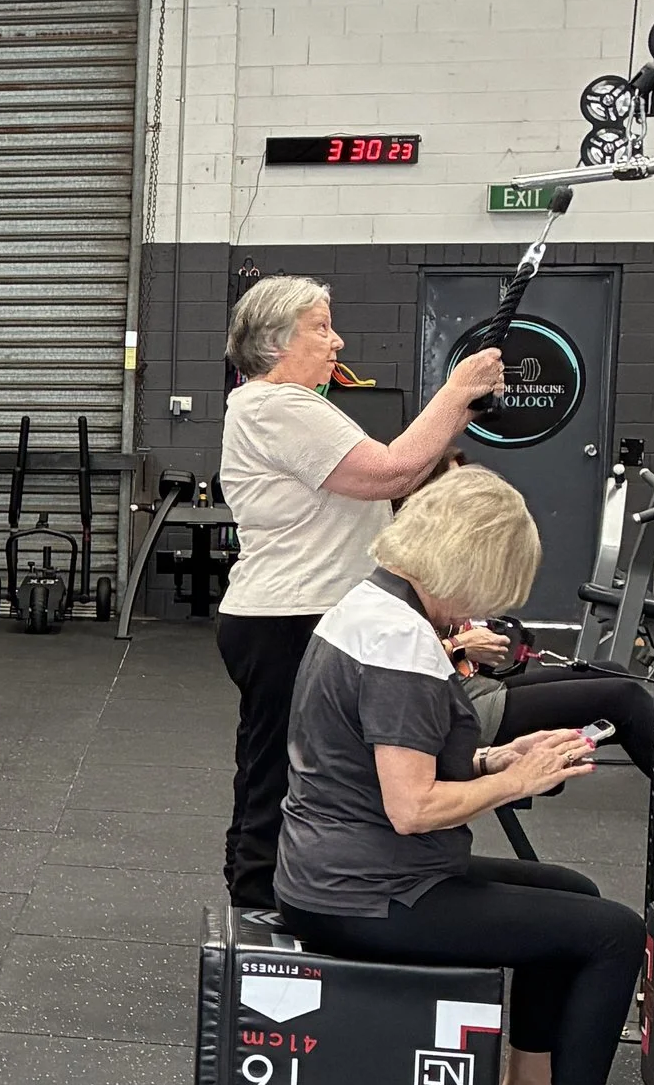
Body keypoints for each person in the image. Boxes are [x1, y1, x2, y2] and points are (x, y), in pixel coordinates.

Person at [274, 464, 654, 1085]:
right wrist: (516, 779)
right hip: (368, 892)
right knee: (611, 935)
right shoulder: (400, 641)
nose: (488, 606)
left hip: (347, 867)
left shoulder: (372, 605)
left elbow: (387, 762)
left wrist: (497, 758)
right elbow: (412, 806)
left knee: (571, 894)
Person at [217, 275, 507, 911]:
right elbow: (392, 471)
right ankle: (259, 903)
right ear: (274, 342)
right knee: (280, 767)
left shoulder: (288, 406)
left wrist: (460, 408)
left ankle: (272, 890)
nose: (336, 339)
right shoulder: (278, 406)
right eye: (320, 327)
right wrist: (456, 389)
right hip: (287, 615)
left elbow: (401, 467)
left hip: (299, 612)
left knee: (296, 763)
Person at [443, 617, 654, 831]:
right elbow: (400, 660)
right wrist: (458, 645)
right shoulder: (398, 579)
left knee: (613, 674)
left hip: (472, 688)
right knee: (623, 702)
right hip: (460, 711)